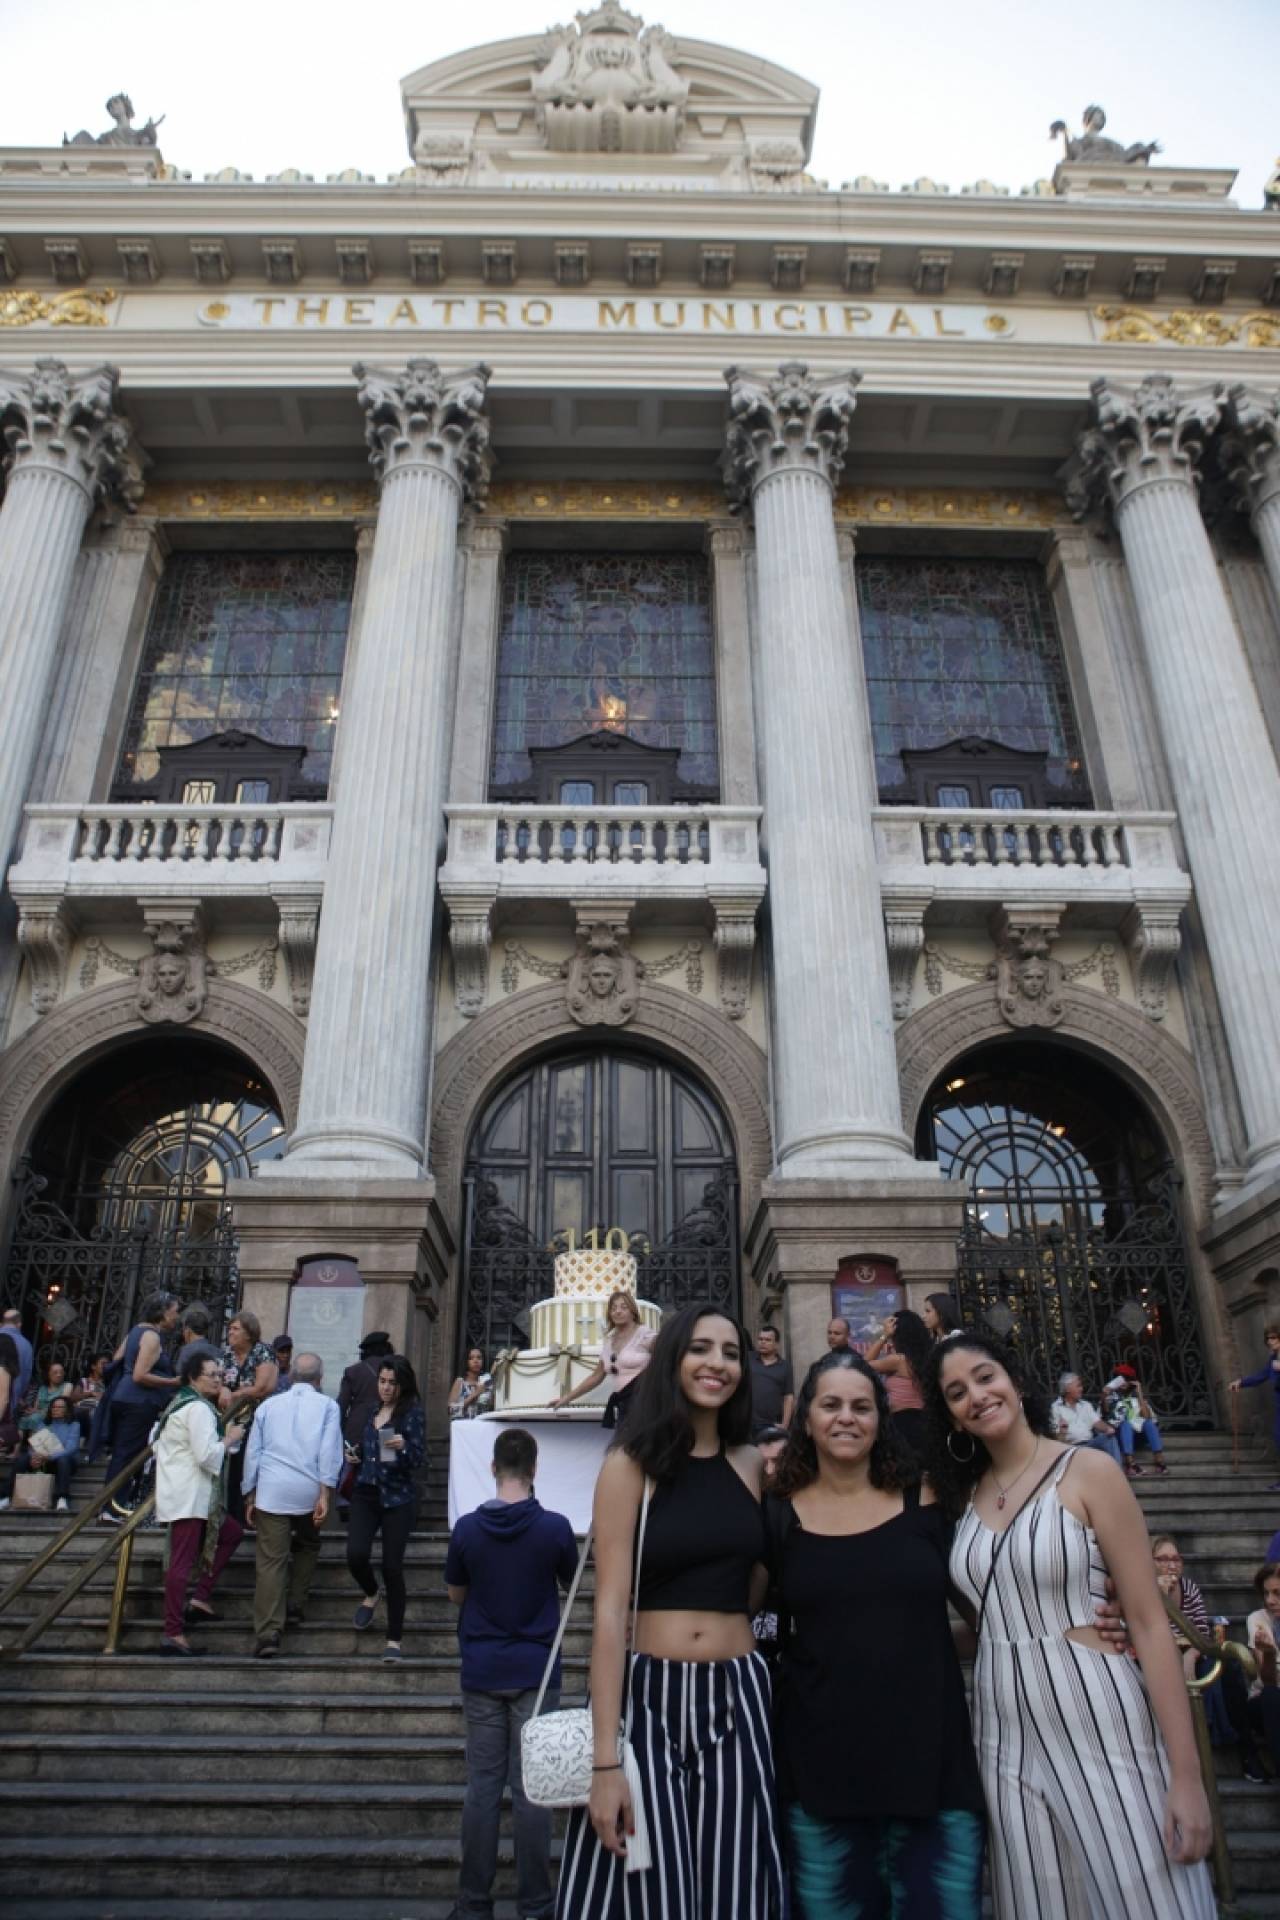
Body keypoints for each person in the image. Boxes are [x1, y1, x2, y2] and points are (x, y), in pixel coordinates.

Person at [927, 1330, 1213, 1919]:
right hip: (1001, 1726)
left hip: (1093, 1706)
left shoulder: (1087, 1471)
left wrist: (1187, 1778)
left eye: (985, 1377)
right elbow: (990, 1621)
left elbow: (1148, 1622)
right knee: (1040, 1904)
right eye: (957, 1392)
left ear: (1015, 1380)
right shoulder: (963, 1499)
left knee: (1147, 1898)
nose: (977, 1396)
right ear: (950, 1417)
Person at [555, 1302, 785, 1920]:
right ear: (673, 1360)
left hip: (739, 1694)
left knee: (737, 1882)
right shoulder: (631, 1466)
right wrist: (605, 1762)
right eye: (701, 1349)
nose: (717, 1364)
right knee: (644, 1886)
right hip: (650, 1694)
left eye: (731, 1353)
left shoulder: (751, 1466)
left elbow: (759, 1573)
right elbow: (607, 1614)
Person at [766, 1351, 986, 1918]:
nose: (847, 1418)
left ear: (880, 1418)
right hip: (821, 1776)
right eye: (831, 1405)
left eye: (862, 1406)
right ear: (807, 1418)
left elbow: (986, 1616)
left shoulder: (927, 1498)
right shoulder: (778, 1515)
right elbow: (748, 1623)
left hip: (932, 1768)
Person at [445, 1425, 578, 1920]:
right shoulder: (555, 1528)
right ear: (535, 1469)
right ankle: (536, 1902)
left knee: (482, 1786)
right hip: (536, 1668)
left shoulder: (467, 1529)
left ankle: (473, 1903)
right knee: (532, 1791)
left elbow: (456, 1593)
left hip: (482, 1667)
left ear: (494, 1467)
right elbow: (569, 1583)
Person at [242, 1350, 343, 1659]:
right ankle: (296, 1602)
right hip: (309, 1488)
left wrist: (250, 1492)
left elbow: (253, 1452)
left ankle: (268, 1632)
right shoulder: (328, 1405)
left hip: (272, 1490)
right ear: (320, 1379)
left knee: (271, 1561)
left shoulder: (268, 1406)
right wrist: (325, 1492)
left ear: (290, 1377)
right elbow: (329, 1450)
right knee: (309, 1544)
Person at [151, 1342, 245, 1656]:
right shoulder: (198, 1408)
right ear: (194, 1377)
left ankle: (200, 1596)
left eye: (220, 1374)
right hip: (190, 1495)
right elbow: (206, 1454)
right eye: (211, 1375)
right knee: (180, 1563)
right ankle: (173, 1631)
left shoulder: (181, 1403)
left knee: (231, 1532)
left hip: (187, 1492)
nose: (218, 1379)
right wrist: (231, 1438)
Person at [347, 1353, 426, 1662]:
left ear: (402, 1385)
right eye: (382, 1381)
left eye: (392, 1383)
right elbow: (368, 1450)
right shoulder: (371, 1410)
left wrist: (404, 1447)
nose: (386, 1388)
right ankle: (370, 1593)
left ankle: (394, 1639)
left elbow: (418, 1457)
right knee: (355, 1554)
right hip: (366, 1492)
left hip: (398, 1497)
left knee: (392, 1566)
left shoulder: (412, 1414)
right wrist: (355, 1457)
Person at [103, 1293, 181, 1523]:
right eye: (175, 1311)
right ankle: (112, 1507)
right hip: (138, 1402)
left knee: (122, 1454)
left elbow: (117, 1361)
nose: (176, 1317)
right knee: (127, 1457)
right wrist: (172, 1382)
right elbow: (139, 1375)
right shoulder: (152, 1336)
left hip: (122, 1398)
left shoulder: (135, 1331)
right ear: (164, 1312)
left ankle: (112, 1505)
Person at [551, 1291, 657, 1430]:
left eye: (624, 1307)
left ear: (633, 1312)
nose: (618, 1311)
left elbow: (667, 1357)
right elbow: (596, 1377)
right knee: (624, 1447)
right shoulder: (609, 1343)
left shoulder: (645, 1334)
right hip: (623, 1405)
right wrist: (567, 1398)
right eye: (613, 1308)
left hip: (645, 1401)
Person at [217, 1310, 278, 1523]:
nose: (230, 1333)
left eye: (235, 1329)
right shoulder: (226, 1355)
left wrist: (233, 1394)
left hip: (256, 1422)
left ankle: (249, 1515)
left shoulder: (263, 1352)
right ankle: (231, 1516)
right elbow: (217, 1382)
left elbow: (262, 1388)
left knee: (249, 1467)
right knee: (231, 1470)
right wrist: (223, 1389)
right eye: (229, 1328)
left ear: (249, 1333)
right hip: (230, 1422)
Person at [864, 1308, 930, 1456]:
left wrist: (884, 1336)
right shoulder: (921, 1358)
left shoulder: (898, 1360)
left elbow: (863, 1365)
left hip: (903, 1422)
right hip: (924, 1420)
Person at [1229, 1324, 1280, 1490]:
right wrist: (1241, 1382)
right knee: (1278, 1436)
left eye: (1273, 1338)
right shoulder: (1273, 1360)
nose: (1270, 1341)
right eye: (1268, 1339)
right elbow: (1261, 1376)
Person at [1243, 1562, 1280, 1777]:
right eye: (1266, 1593)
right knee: (1271, 1697)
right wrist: (1269, 1653)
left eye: (1277, 1593)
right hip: (1265, 1702)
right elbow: (1268, 1680)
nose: (1270, 1600)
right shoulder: (1258, 1619)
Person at [1104, 1365, 1170, 1476]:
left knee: (1149, 1423)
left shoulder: (1136, 1399)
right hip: (1120, 1437)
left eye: (1126, 1379)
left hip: (1138, 1437)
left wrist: (1139, 1392)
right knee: (1125, 1424)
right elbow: (1105, 1414)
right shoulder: (1111, 1398)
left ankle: (1160, 1462)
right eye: (1120, 1379)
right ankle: (1131, 1464)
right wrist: (1105, 1395)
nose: (1123, 1382)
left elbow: (1147, 1417)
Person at [1051, 1372, 1125, 1466]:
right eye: (1078, 1386)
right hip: (1072, 1447)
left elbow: (1097, 1423)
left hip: (1089, 1444)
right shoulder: (1055, 1408)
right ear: (1067, 1389)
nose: (1081, 1389)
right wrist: (1062, 1431)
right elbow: (1056, 1439)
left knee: (1109, 1438)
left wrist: (1108, 1429)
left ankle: (1118, 1474)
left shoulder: (1086, 1405)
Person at [337, 1330, 394, 1448]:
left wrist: (341, 1431)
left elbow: (342, 1405)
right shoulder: (395, 1370)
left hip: (357, 1430)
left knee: (354, 1463)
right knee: (386, 1460)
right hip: (386, 1426)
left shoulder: (353, 1371)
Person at [36, 1396, 82, 1512]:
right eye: (53, 1407)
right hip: (45, 1461)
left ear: (67, 1409)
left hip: (67, 1463)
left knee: (64, 1459)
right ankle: (6, 1496)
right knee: (23, 1458)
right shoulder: (43, 1424)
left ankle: (62, 1498)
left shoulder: (74, 1425)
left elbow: (70, 1448)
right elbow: (36, 1444)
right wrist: (35, 1456)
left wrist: (50, 1456)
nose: (55, 1409)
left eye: (59, 1407)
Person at [747, 1325, 794, 1437]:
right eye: (760, 1339)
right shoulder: (748, 1359)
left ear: (776, 1344)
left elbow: (789, 1397)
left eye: (767, 1340)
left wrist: (785, 1425)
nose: (763, 1342)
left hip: (771, 1425)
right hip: (746, 1423)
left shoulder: (785, 1367)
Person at [19, 1360, 72, 1434]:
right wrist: (30, 1410)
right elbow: (36, 1407)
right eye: (55, 1372)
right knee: (23, 1419)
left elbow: (61, 1405)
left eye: (61, 1372)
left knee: (35, 1418)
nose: (59, 1375)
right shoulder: (42, 1388)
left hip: (54, 1416)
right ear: (48, 1374)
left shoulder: (67, 1386)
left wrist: (38, 1412)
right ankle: (18, 1445)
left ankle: (34, 1444)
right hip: (39, 1415)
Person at [71, 1353, 110, 1445]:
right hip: (82, 1410)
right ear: (93, 1366)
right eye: (103, 1363)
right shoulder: (84, 1381)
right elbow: (73, 1398)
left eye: (108, 1364)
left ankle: (92, 1443)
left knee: (95, 1412)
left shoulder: (109, 1383)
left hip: (99, 1410)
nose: (106, 1366)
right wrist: (90, 1393)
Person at [0, 1309, 34, 1409]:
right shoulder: (26, 1345)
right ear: (19, 1324)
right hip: (9, 1401)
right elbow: (25, 1377)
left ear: (2, 1322)